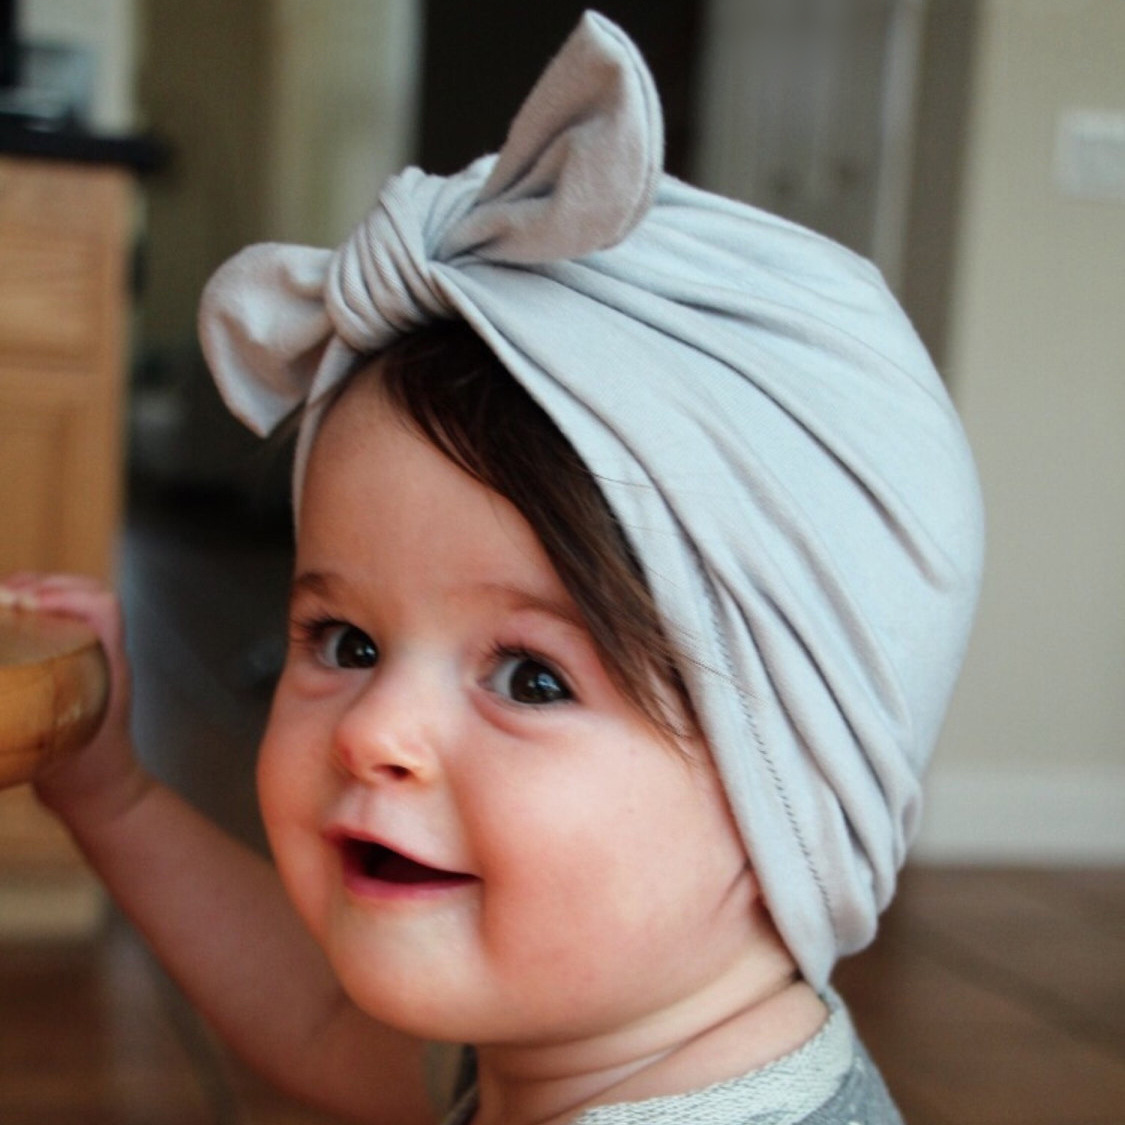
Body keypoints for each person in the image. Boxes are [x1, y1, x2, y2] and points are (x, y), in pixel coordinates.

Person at [1, 12, 984, 1125]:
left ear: (794, 793)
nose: (376, 730)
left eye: (531, 677)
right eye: (348, 644)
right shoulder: (583, 1031)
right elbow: (321, 1024)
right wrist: (115, 797)